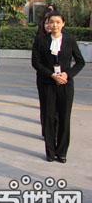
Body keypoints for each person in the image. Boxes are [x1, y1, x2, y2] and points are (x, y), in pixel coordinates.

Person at [31, 12, 85, 163]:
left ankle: (62, 152)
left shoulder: (70, 40)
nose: (54, 25)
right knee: (49, 118)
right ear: (48, 24)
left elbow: (80, 62)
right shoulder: (41, 40)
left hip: (65, 84)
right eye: (52, 22)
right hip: (47, 83)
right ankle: (50, 152)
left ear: (63, 24)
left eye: (58, 22)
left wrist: (67, 74)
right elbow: (36, 63)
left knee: (64, 118)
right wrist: (51, 75)